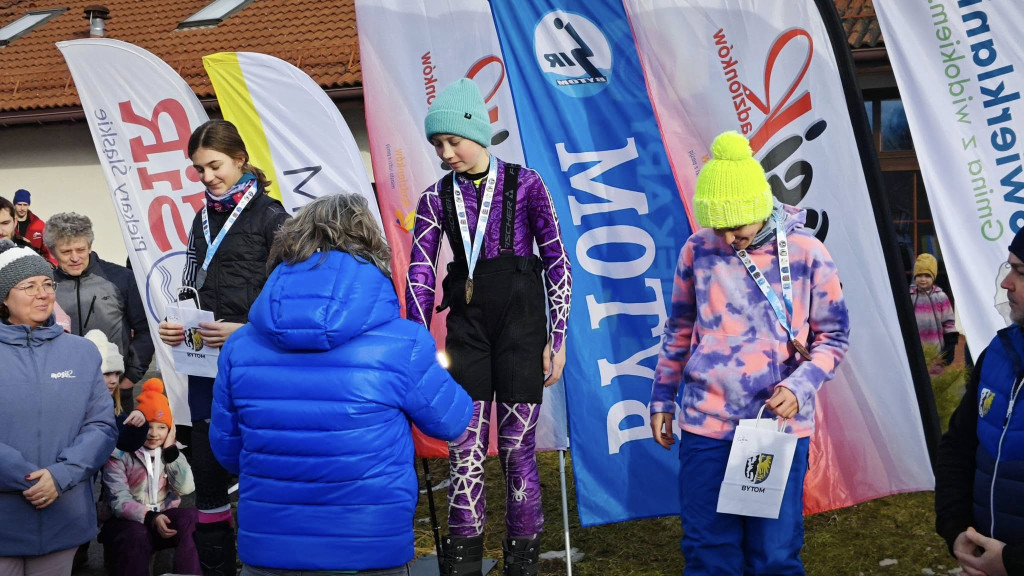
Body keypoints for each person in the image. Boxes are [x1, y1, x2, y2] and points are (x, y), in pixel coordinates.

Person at [209, 193, 472, 575]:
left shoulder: (239, 346)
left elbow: (228, 450)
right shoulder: (403, 342)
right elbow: (451, 422)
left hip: (271, 546)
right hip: (370, 545)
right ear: (369, 244)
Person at [649, 131, 850, 576]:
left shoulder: (808, 254)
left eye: (735, 226)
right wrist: (662, 398)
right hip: (707, 424)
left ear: (758, 209)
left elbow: (833, 337)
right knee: (707, 547)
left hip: (775, 428)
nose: (728, 238)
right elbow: (679, 328)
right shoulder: (697, 250)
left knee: (773, 554)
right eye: (718, 227)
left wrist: (800, 387)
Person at [406, 78, 572, 574]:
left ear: (476, 132)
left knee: (519, 449)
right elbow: (419, 271)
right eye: (437, 145)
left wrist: (556, 338)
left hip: (522, 328)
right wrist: (416, 343)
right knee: (466, 449)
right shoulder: (436, 197)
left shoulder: (528, 184)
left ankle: (523, 561)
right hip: (469, 329)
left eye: (452, 141)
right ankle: (464, 562)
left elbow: (559, 262)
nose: (445, 152)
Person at [157, 119, 289, 576]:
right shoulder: (200, 219)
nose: (208, 177)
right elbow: (191, 288)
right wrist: (177, 326)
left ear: (240, 159)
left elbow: (289, 304)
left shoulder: (275, 219)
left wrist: (245, 330)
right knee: (209, 477)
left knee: (260, 473)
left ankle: (265, 564)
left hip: (258, 365)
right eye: (198, 170)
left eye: (215, 166)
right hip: (204, 367)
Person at [0, 238, 117, 573]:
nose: (43, 293)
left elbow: (101, 426)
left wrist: (60, 475)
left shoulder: (81, 352)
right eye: (29, 285)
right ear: (3, 297)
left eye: (48, 284)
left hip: (63, 515)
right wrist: (30, 479)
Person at [935, 228, 1024, 576]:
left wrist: (1012, 563)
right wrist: (956, 530)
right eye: (1010, 268)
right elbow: (957, 448)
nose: (1006, 284)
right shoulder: (998, 354)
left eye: (1022, 273)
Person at [47, 212, 155, 412]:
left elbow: (146, 330)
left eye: (81, 249)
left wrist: (130, 377)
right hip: (64, 391)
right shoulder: (46, 286)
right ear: (52, 252)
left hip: (115, 390)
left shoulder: (122, 278)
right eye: (66, 251)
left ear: (90, 246)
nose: (75, 257)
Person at [99, 378, 199, 576]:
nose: (154, 434)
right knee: (137, 534)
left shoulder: (172, 452)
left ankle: (188, 573)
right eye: (149, 426)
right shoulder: (119, 454)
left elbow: (186, 488)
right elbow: (119, 501)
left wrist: (171, 453)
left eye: (162, 427)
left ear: (170, 430)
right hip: (127, 524)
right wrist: (151, 518)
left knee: (193, 518)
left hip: (163, 517)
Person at [911, 252, 958, 366]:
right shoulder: (909, 296)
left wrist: (949, 347)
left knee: (935, 380)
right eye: (919, 275)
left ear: (934, 276)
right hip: (914, 350)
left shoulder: (941, 297)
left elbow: (949, 323)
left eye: (927, 276)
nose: (923, 279)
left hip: (936, 350)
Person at [11, 189, 53, 264]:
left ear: (29, 205)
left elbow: (49, 251)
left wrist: (50, 267)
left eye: (25, 205)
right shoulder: (6, 223)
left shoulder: (39, 225)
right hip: (11, 266)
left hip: (34, 267)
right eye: (19, 204)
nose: (22, 208)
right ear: (14, 205)